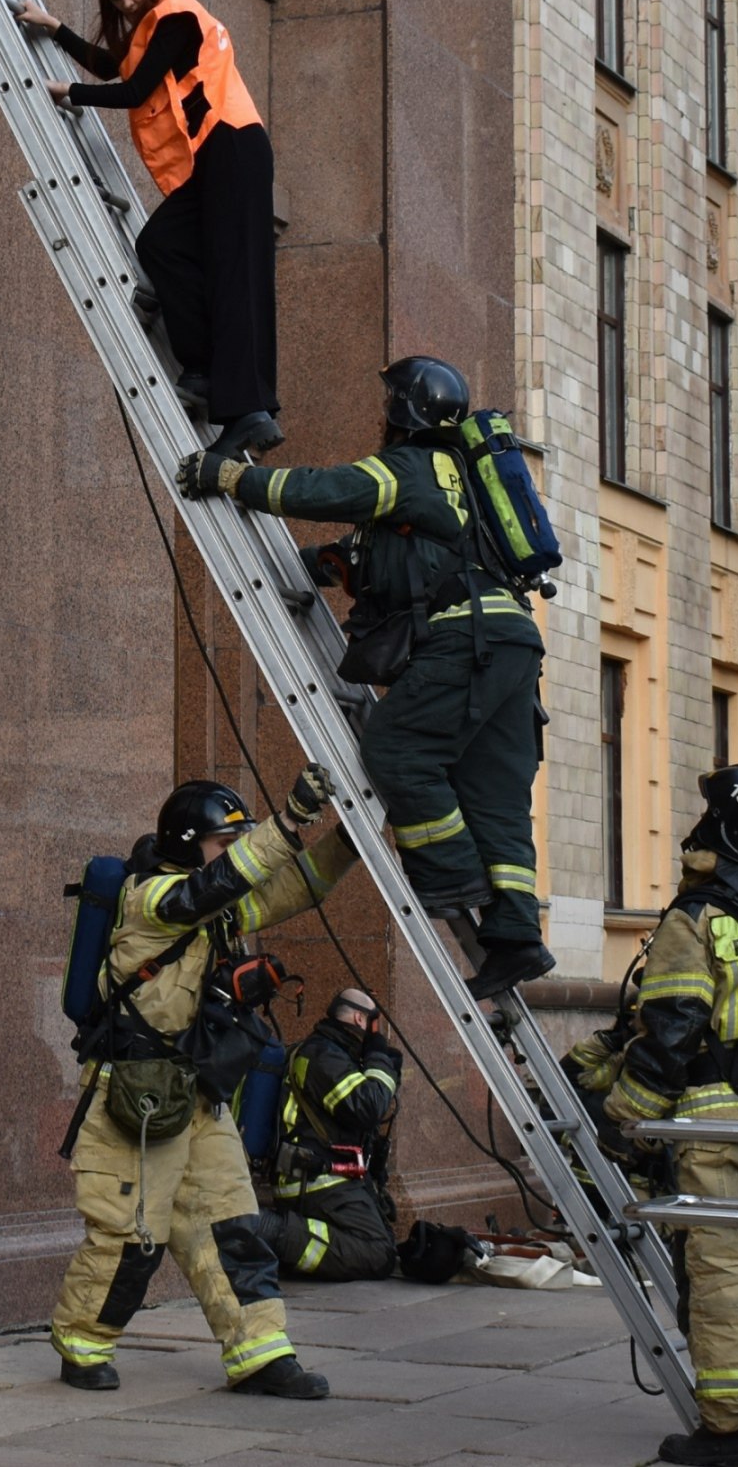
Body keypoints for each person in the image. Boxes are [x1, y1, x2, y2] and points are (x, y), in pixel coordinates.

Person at [174, 355, 557, 1002]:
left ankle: (453, 880)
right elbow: (361, 557)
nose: (380, 418)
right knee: (494, 791)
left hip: (468, 639)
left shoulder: (411, 468)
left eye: (387, 407)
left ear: (402, 413)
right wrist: (298, 571)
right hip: (511, 642)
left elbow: (328, 491)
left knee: (394, 750)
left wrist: (234, 477)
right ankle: (516, 935)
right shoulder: (457, 480)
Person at [50, 769, 352, 1398]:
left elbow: (292, 888)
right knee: (129, 1236)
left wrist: (348, 841)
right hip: (133, 1096)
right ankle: (83, 1344)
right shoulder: (153, 899)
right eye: (223, 841)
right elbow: (213, 887)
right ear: (190, 843)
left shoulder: (211, 906)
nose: (233, 853)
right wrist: (290, 821)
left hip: (193, 1093)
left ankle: (260, 1354)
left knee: (232, 1224)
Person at [602, 766, 738, 1467]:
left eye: (703, 816)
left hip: (714, 1123)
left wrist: (623, 1118)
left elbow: (670, 1027)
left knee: (723, 1278)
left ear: (720, 830)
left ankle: (731, 1432)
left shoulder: (697, 919)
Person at [13, 0, 281, 460]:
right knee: (161, 244)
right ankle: (201, 369)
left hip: (233, 146)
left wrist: (68, 92)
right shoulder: (156, 26)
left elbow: (132, 92)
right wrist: (55, 28)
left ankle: (248, 412)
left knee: (234, 276)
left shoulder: (177, 15)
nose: (126, 4)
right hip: (217, 157)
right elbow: (117, 68)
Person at [265, 989, 402, 1282]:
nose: (375, 1036)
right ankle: (271, 1232)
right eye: (373, 1026)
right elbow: (368, 1106)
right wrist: (379, 1058)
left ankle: (286, 1236)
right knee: (377, 1253)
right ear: (359, 1018)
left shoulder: (334, 1054)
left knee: (385, 1244)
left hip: (328, 1177)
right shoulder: (322, 1055)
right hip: (315, 1182)